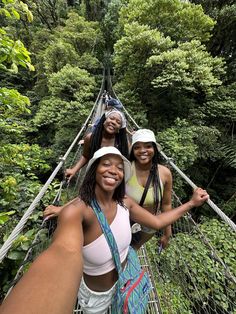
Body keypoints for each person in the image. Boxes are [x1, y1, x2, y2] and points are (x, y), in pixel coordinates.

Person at [0, 147, 209, 314]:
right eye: (106, 164)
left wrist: (190, 203)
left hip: (125, 277)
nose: (113, 170)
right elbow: (62, 253)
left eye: (120, 168)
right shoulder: (77, 212)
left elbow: (155, 222)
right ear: (93, 171)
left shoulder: (124, 202)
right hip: (97, 296)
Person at [127, 129, 173, 250]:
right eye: (137, 147)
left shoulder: (164, 174)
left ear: (154, 149)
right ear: (133, 150)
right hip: (124, 222)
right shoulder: (125, 169)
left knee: (134, 250)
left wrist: (167, 234)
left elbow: (166, 205)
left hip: (149, 226)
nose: (142, 151)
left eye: (148, 146)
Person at [65, 108, 129, 181]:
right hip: (93, 176)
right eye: (111, 118)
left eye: (118, 122)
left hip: (112, 179)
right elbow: (86, 156)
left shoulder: (122, 143)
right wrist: (74, 170)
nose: (113, 122)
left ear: (119, 129)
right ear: (104, 120)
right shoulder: (91, 138)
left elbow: (126, 164)